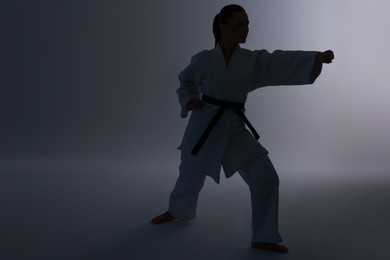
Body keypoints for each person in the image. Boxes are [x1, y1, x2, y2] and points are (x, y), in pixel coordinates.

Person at [151, 4, 334, 254]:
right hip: (204, 128)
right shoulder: (203, 59)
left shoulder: (250, 60)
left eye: (248, 24)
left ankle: (264, 236)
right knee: (189, 178)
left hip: (234, 129)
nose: (246, 29)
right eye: (240, 24)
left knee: (266, 176)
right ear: (222, 26)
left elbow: (279, 60)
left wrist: (314, 58)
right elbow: (187, 82)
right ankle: (176, 211)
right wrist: (189, 100)